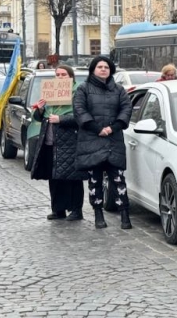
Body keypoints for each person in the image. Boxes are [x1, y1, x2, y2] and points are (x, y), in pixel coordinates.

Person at [73, 56, 133, 230]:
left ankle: (124, 214)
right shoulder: (83, 89)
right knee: (95, 180)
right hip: (91, 140)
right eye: (99, 66)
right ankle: (98, 214)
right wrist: (96, 128)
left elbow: (126, 109)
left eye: (106, 67)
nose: (103, 69)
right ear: (93, 69)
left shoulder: (119, 89)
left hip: (113, 140)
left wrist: (112, 128)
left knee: (119, 179)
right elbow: (79, 110)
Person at [29, 65, 85, 221]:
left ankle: (76, 210)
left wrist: (61, 119)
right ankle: (58, 209)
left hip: (69, 141)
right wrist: (39, 110)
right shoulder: (50, 93)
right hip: (50, 141)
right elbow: (40, 118)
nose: (60, 77)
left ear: (71, 77)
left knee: (72, 177)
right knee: (54, 177)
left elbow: (81, 117)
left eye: (63, 75)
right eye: (57, 74)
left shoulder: (78, 93)